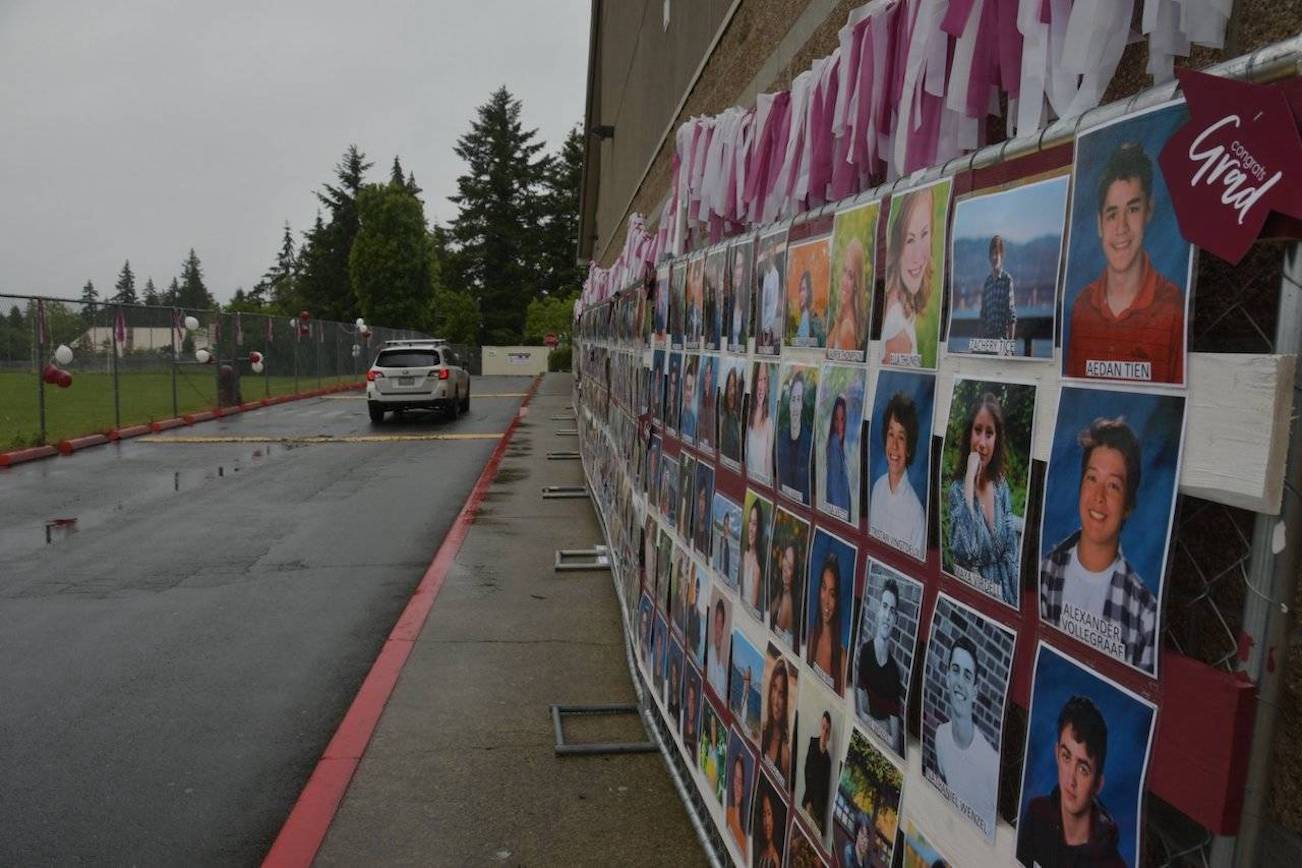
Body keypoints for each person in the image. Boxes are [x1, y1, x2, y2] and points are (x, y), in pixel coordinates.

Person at [1039, 417, 1157, 674]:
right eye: (1092, 479)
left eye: (1113, 486)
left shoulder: (1145, 614)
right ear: (1081, 485)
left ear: (1128, 505)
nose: (1099, 497)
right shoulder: (1045, 574)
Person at [1065, 142, 1185, 384]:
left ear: (1148, 211)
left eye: (1132, 210)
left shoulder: (1174, 307)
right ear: (1100, 223)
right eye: (1111, 214)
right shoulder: (1082, 306)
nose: (1121, 228)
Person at [1017, 695, 1126, 867]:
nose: (1070, 779)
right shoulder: (1037, 815)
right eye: (1066, 757)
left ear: (1098, 784)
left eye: (1083, 769)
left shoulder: (1112, 864)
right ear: (1056, 754)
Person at [946, 393, 1021, 605]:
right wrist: (970, 478)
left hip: (1005, 597)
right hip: (973, 597)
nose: (982, 442)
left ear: (997, 440)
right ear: (969, 433)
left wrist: (1012, 603)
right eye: (977, 430)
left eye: (989, 433)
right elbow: (966, 549)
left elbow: (1011, 553)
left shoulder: (1001, 485)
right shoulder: (957, 491)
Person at [933, 635, 999, 829]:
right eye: (955, 671)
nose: (960, 682)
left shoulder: (991, 765)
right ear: (947, 678)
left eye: (967, 675)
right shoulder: (941, 736)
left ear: (975, 692)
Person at [881, 186, 935, 366]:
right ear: (898, 246)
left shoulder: (899, 305)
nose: (919, 256)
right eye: (910, 240)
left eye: (924, 234)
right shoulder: (899, 331)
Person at [870, 392, 927, 557]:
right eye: (891, 434)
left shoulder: (917, 515)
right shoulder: (877, 488)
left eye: (901, 438)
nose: (894, 446)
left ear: (909, 448)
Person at [856, 578, 906, 755]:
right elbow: (860, 713)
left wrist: (874, 722)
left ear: (896, 619)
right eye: (884, 607)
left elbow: (896, 744)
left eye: (892, 611)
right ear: (878, 610)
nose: (887, 615)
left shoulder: (894, 672)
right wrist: (882, 726)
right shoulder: (866, 653)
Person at [806, 554, 845, 692]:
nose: (826, 600)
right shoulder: (811, 637)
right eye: (823, 588)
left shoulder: (841, 657)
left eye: (832, 594)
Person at [776, 371, 812, 501]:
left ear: (802, 404)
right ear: (789, 404)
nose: (796, 406)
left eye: (798, 400)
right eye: (793, 400)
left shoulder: (810, 442)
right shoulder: (781, 439)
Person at [831, 237, 866, 353]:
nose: (844, 281)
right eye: (844, 271)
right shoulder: (842, 317)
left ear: (856, 284)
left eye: (850, 276)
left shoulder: (847, 327)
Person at [980, 235, 1017, 344]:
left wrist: (1010, 347)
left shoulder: (1007, 280)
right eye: (992, 254)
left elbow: (1011, 315)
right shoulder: (987, 283)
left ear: (1002, 255)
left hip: (1002, 341)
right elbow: (983, 316)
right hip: (987, 340)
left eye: (997, 254)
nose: (994, 258)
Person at [801, 711, 833, 830]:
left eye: (827, 730)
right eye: (823, 727)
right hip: (808, 802)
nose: (824, 732)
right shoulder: (813, 744)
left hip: (817, 812)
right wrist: (809, 801)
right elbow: (807, 771)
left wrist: (820, 820)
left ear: (829, 734)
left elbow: (825, 790)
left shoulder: (828, 760)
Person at [761, 662, 792, 779]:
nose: (776, 701)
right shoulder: (762, 731)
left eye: (782, 694)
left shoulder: (785, 754)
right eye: (774, 688)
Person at [767, 543, 800, 646]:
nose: (785, 568)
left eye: (790, 567)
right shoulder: (781, 591)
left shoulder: (787, 599)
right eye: (785, 558)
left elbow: (772, 635)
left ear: (794, 572)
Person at [747, 363, 775, 481]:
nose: (761, 386)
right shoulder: (748, 417)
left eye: (764, 380)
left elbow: (768, 469)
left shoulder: (769, 423)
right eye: (759, 380)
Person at [824, 396, 852, 514]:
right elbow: (834, 486)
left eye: (842, 419)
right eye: (836, 419)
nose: (840, 425)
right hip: (839, 513)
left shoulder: (839, 445)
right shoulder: (834, 444)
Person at [741, 500, 768, 615]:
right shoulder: (744, 555)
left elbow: (752, 611)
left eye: (755, 524)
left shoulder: (757, 567)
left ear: (759, 529)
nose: (751, 529)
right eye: (750, 522)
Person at [726, 753, 751, 859]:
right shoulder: (728, 813)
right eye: (735, 779)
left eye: (740, 781)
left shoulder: (746, 840)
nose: (736, 785)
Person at [754, 788, 783, 868]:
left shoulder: (775, 857)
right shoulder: (759, 850)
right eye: (763, 815)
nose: (766, 822)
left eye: (769, 814)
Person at [760, 250, 782, 350]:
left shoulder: (775, 275)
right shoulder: (764, 274)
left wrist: (768, 333)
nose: (768, 258)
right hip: (763, 324)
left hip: (770, 326)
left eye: (770, 256)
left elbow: (774, 304)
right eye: (766, 255)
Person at [708, 600, 730, 697]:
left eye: (721, 623)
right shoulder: (709, 653)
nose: (718, 628)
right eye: (717, 622)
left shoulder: (724, 665)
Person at [721, 367, 743, 462]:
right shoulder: (725, 420)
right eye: (729, 388)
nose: (732, 392)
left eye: (735, 387)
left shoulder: (739, 420)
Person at [699, 358, 717, 449]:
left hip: (709, 443)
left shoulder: (713, 398)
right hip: (701, 440)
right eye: (705, 374)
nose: (707, 378)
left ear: (711, 376)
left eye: (709, 374)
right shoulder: (701, 396)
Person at [680, 362, 698, 440]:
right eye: (686, 387)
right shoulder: (680, 413)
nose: (687, 393)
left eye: (690, 388)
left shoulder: (695, 419)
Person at [794, 270, 814, 341]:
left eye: (804, 289)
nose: (801, 294)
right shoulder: (802, 316)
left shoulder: (808, 317)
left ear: (809, 292)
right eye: (800, 290)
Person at [682, 677, 700, 751]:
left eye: (693, 700)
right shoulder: (683, 716)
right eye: (689, 699)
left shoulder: (698, 720)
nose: (691, 704)